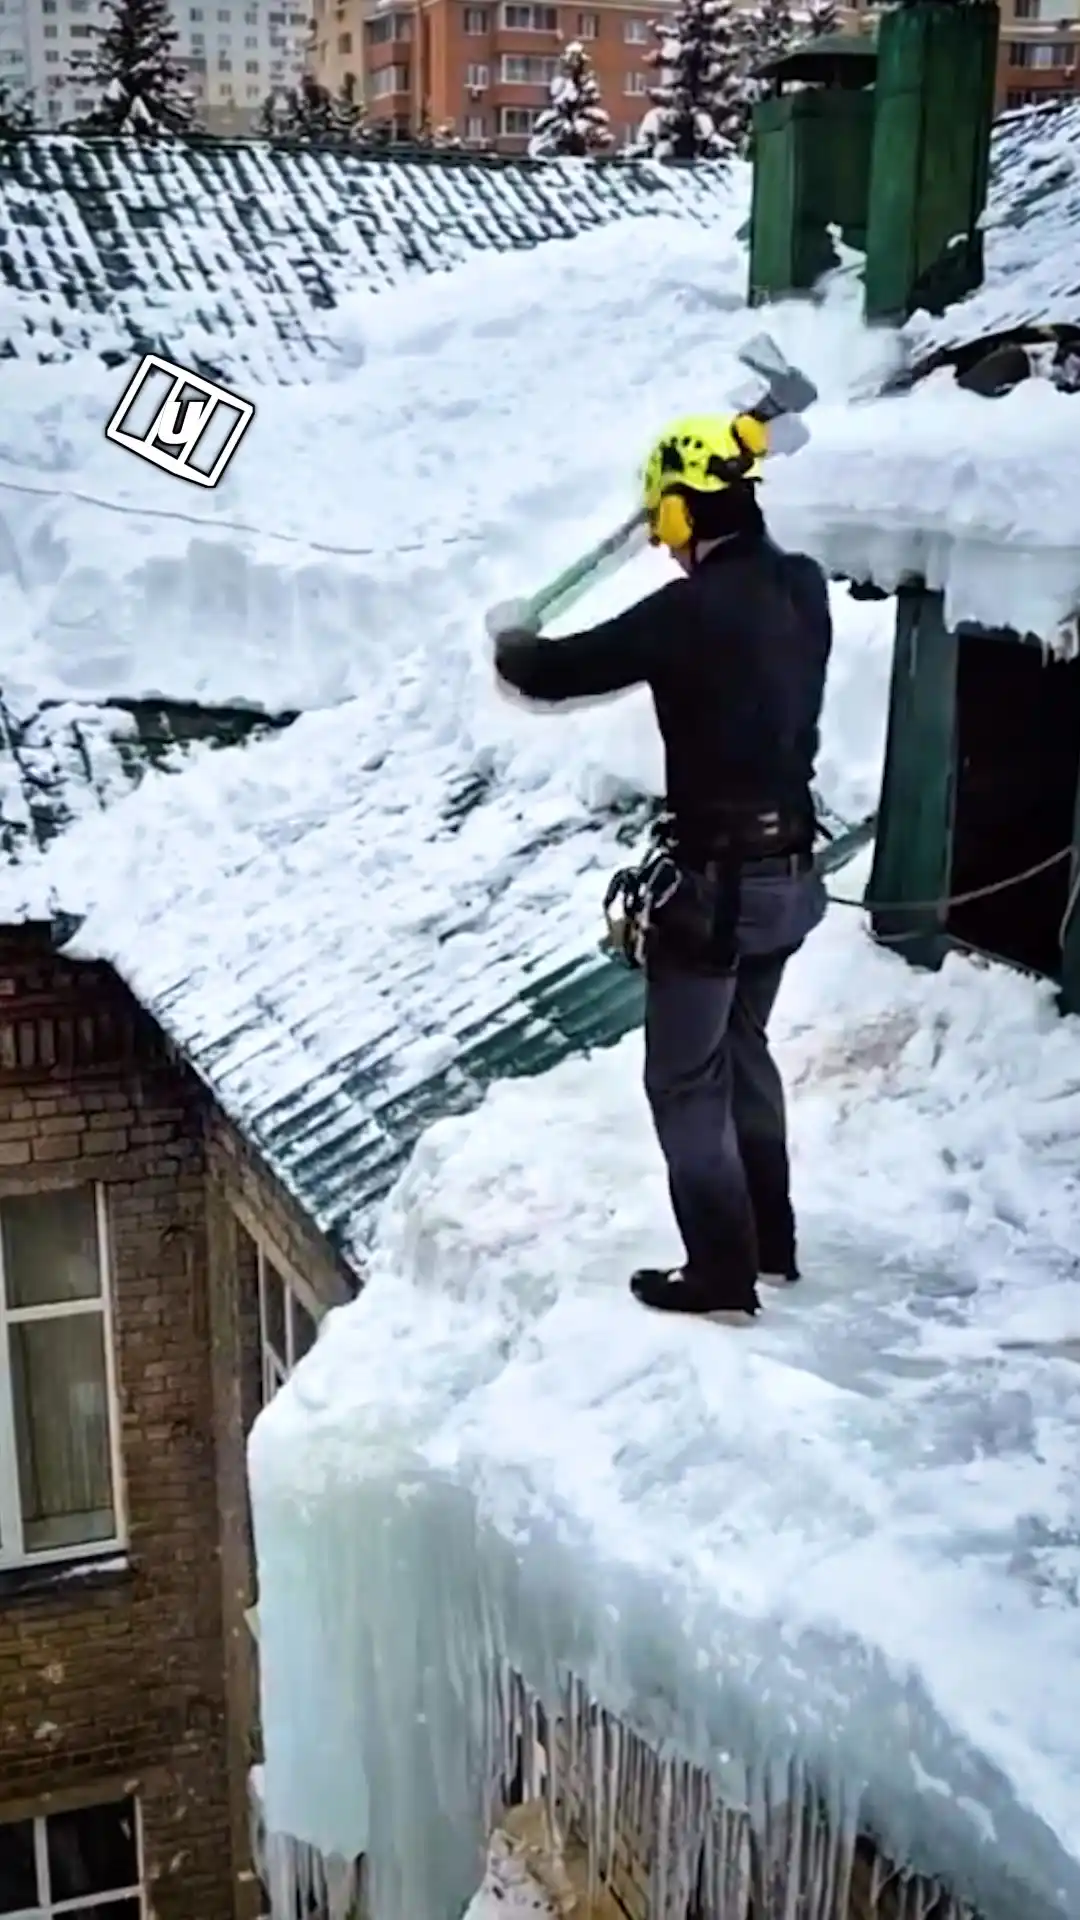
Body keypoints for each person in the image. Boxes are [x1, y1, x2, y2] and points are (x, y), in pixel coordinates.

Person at [492, 413, 831, 1323]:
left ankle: (721, 1271)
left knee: (684, 1080)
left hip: (715, 890)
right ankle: (772, 1242)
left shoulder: (686, 611)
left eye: (661, 516)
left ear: (683, 515)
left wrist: (510, 640)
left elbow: (555, 672)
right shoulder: (804, 588)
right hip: (792, 878)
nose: (654, 534)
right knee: (744, 1049)